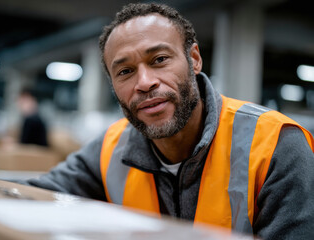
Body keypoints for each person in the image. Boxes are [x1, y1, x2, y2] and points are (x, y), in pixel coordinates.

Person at [27, 3, 314, 239]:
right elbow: (28, 199)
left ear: (194, 59)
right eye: (125, 71)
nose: (145, 82)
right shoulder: (110, 149)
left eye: (160, 59)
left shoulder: (277, 145)